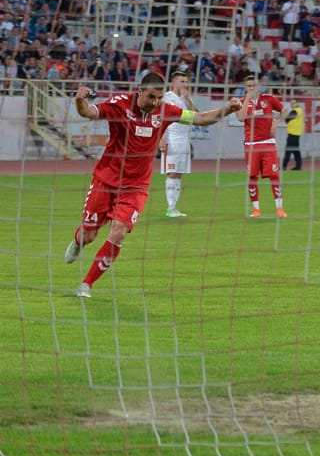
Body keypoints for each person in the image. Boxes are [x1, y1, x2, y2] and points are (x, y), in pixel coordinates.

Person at [64, 70, 241, 298]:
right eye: (151, 97)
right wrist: (80, 100)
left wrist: (227, 109)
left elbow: (201, 119)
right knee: (88, 236)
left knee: (118, 233)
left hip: (136, 187)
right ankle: (78, 242)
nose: (155, 102)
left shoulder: (166, 111)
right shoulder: (120, 105)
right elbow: (88, 112)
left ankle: (86, 284)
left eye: (159, 97)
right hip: (105, 181)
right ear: (139, 92)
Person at [236, 74, 288, 218]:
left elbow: (285, 110)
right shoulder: (241, 101)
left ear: (259, 86)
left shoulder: (269, 99)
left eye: (254, 85)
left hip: (268, 143)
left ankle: (279, 208)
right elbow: (240, 117)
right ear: (246, 88)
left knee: (274, 175)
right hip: (251, 145)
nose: (252, 88)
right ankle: (256, 210)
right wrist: (248, 98)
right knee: (252, 176)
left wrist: (276, 123)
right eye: (249, 86)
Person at [159, 69, 196, 218]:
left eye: (186, 82)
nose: (184, 84)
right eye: (182, 81)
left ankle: (174, 208)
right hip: (172, 138)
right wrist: (161, 139)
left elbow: (196, 116)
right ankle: (170, 207)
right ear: (174, 82)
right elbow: (160, 118)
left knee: (179, 174)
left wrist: (188, 100)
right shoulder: (167, 98)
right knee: (172, 172)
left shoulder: (186, 99)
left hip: (185, 140)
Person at [282, 98, 304, 170]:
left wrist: (285, 113)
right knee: (296, 151)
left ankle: (283, 166)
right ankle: (298, 166)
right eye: (291, 103)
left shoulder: (295, 111)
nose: (292, 105)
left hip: (293, 133)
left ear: (297, 103)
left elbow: (287, 119)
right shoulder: (300, 110)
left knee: (288, 150)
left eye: (293, 103)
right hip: (297, 133)